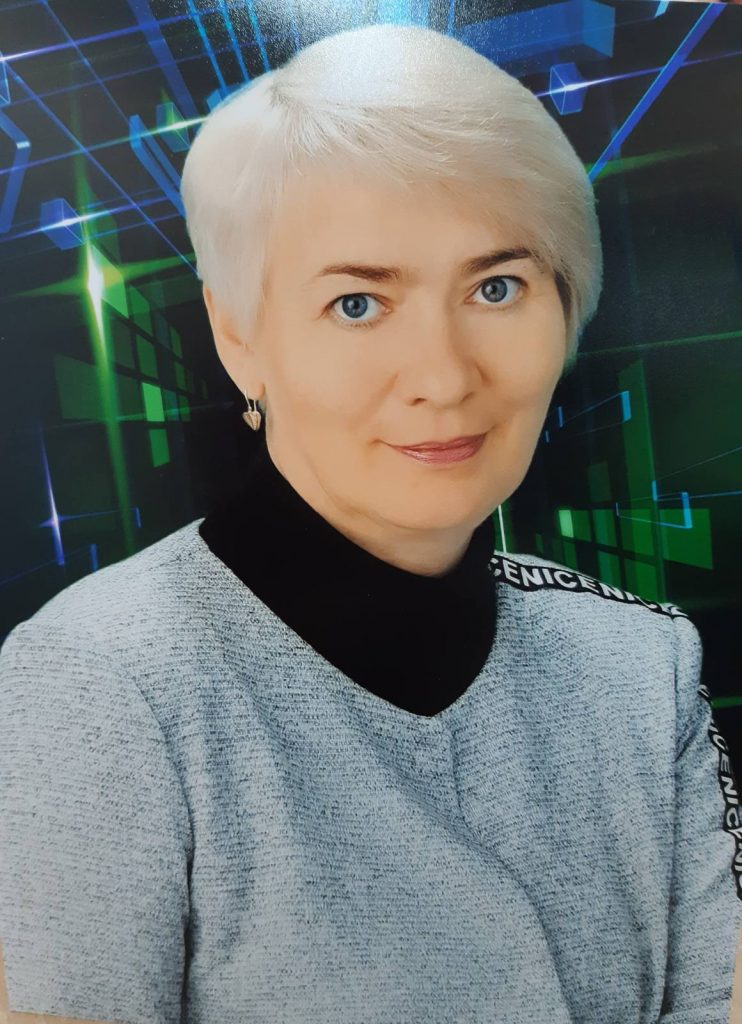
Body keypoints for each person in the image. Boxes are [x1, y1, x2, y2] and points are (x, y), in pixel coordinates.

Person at [0, 21, 740, 1024]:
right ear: (238, 335)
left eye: (497, 287)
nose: (443, 376)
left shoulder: (641, 665)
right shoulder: (100, 679)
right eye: (357, 303)